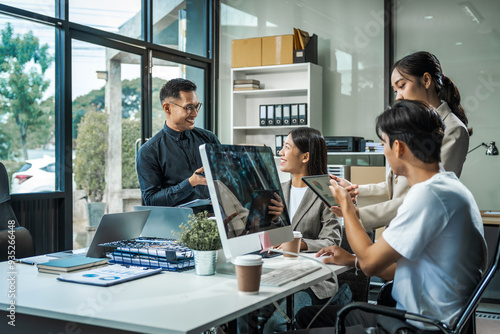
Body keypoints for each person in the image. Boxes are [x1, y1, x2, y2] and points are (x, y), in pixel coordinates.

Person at [293, 100, 486, 334]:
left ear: (398, 147)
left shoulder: (428, 196)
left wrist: (346, 207)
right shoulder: (446, 186)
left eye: (383, 143)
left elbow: (370, 264)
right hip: (425, 318)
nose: (383, 151)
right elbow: (403, 267)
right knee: (305, 315)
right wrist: (350, 259)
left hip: (418, 326)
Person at [332, 51, 471, 231]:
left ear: (426, 81)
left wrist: (357, 214)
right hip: (402, 224)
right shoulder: (416, 125)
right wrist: (356, 190)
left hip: (422, 227)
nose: (398, 97)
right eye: (395, 90)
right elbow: (397, 186)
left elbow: (426, 195)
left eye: (402, 86)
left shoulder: (453, 130)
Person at [261, 127, 344, 333]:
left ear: (305, 156)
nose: (280, 152)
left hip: (312, 281)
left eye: (286, 147)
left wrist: (300, 244)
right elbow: (267, 236)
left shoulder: (327, 191)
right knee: (242, 318)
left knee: (275, 326)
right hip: (276, 274)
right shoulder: (277, 190)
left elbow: (332, 241)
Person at [136, 78, 220, 208]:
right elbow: (151, 200)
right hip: (178, 224)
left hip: (218, 218)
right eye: (188, 108)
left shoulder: (209, 138)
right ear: (167, 108)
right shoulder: (149, 151)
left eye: (197, 106)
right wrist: (190, 183)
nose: (195, 114)